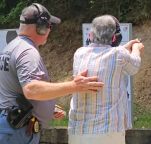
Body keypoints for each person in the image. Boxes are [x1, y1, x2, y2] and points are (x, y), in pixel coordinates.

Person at [0, 3, 104, 144]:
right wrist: (74, 85)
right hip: (18, 132)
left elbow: (13, 89)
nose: (50, 30)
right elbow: (31, 89)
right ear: (41, 27)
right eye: (49, 26)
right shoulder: (27, 52)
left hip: (11, 126)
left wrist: (45, 106)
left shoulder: (12, 47)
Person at [68, 15, 144, 144]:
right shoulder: (119, 54)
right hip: (108, 131)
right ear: (114, 38)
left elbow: (104, 55)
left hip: (78, 131)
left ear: (91, 36)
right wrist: (135, 48)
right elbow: (134, 66)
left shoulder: (79, 53)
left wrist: (124, 48)